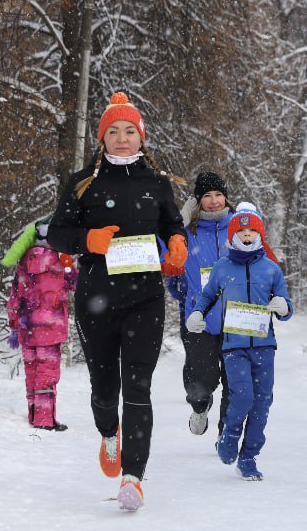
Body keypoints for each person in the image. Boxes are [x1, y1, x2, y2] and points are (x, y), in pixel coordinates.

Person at [47, 92, 188, 511]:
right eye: (114, 132)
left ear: (141, 137)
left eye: (130, 131)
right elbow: (56, 234)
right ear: (102, 139)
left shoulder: (157, 183)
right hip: (97, 299)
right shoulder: (83, 183)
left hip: (145, 298)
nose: (122, 139)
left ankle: (133, 478)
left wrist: (177, 245)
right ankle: (110, 433)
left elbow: (173, 223)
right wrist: (87, 240)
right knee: (106, 391)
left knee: (138, 387)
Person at [186, 202, 292, 481]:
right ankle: (229, 434)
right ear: (232, 236)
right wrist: (197, 313)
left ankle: (249, 457)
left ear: (259, 235)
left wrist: (283, 306)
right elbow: (207, 296)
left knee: (263, 402)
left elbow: (285, 303)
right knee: (242, 396)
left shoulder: (270, 269)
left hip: (264, 345)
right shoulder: (222, 267)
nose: (247, 236)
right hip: (234, 346)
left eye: (251, 231)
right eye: (241, 231)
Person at [164, 172, 234, 437]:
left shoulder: (239, 227)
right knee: (202, 380)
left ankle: (227, 433)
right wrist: (178, 222)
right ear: (197, 201)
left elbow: (264, 260)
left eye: (218, 195)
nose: (214, 201)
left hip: (235, 318)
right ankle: (200, 406)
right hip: (199, 317)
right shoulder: (187, 232)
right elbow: (166, 257)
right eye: (207, 196)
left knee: (234, 381)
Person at [2, 217, 77, 431]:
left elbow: (15, 296)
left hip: (27, 328)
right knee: (47, 373)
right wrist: (70, 266)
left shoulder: (24, 261)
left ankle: (34, 414)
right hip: (51, 329)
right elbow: (75, 284)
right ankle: (44, 420)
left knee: (32, 371)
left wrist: (14, 325)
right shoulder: (61, 262)